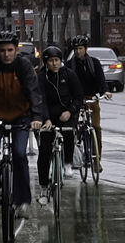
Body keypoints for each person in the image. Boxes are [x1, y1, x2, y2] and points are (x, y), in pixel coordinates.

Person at [0, 32, 42, 208]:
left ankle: (23, 200)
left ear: (16, 49)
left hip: (21, 116)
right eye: (2, 51)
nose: (6, 54)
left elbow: (33, 92)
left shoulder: (24, 65)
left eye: (10, 50)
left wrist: (36, 117)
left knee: (20, 154)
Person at [32, 45, 88, 185]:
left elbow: (78, 96)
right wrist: (46, 119)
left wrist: (70, 111)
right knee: (44, 151)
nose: (54, 63)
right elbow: (40, 100)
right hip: (47, 118)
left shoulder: (69, 75)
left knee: (69, 133)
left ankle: (68, 163)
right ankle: (44, 186)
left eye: (57, 60)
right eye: (51, 60)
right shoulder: (41, 78)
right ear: (46, 62)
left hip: (66, 115)